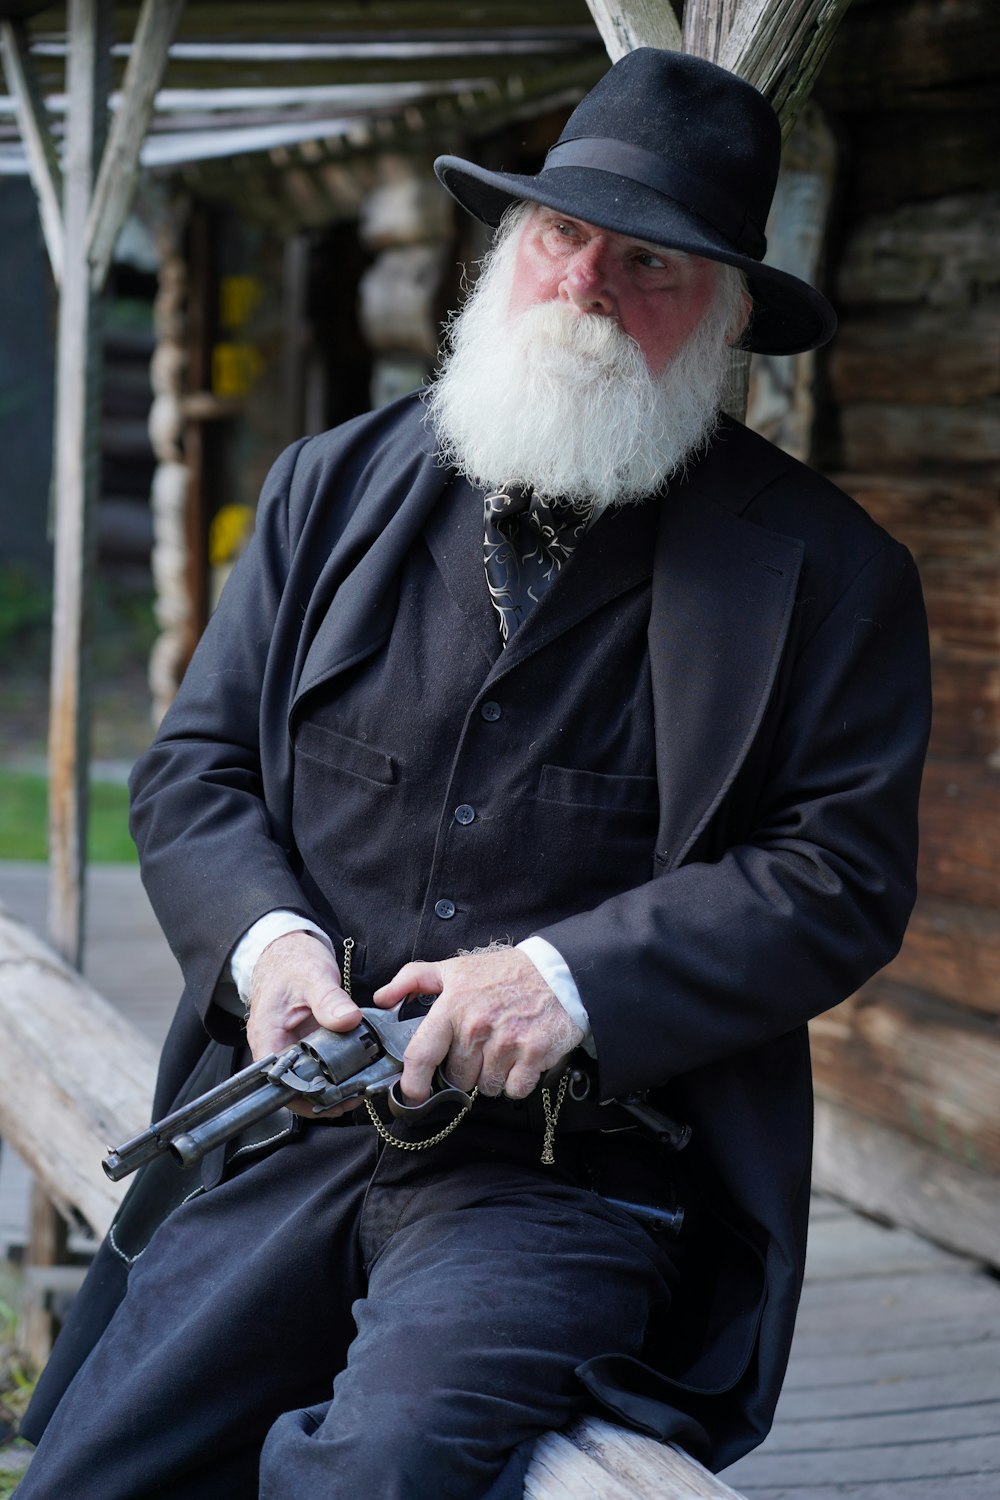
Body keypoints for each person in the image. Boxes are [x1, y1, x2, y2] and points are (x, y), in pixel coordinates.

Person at [19, 47, 930, 1500]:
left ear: (732, 313)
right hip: (295, 1139)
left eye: (649, 262)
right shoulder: (331, 486)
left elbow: (840, 874)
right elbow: (194, 772)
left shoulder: (831, 574)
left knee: (371, 1475)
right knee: (92, 1477)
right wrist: (270, 946)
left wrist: (566, 981)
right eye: (563, 235)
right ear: (509, 247)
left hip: (560, 1178)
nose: (585, 286)